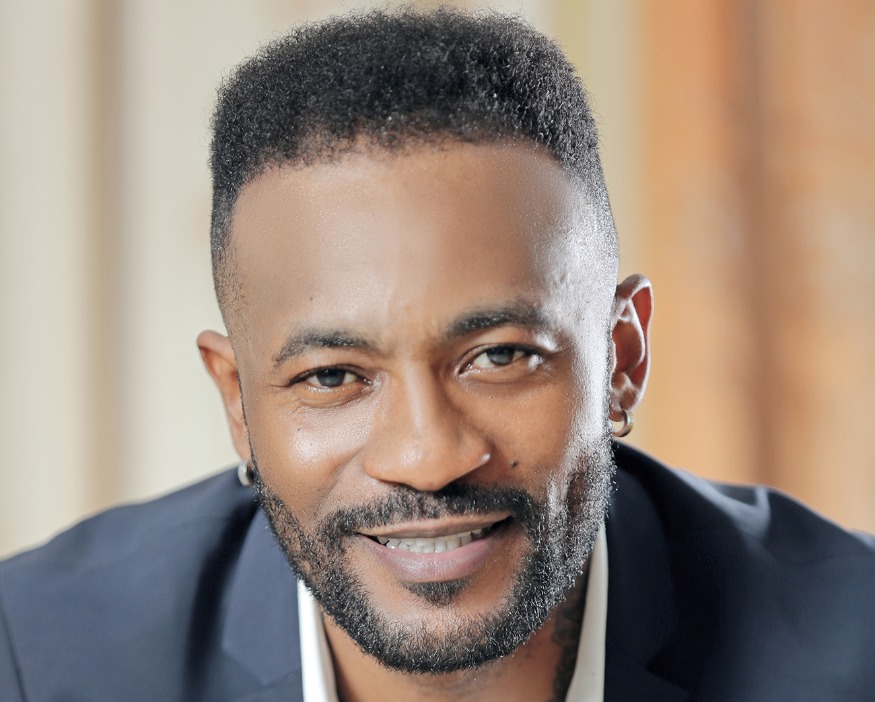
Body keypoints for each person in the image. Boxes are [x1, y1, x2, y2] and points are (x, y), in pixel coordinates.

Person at [1, 7, 873, 702]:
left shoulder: (852, 647)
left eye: (499, 357)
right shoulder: (39, 659)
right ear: (238, 402)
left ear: (620, 356)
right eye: (332, 376)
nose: (426, 456)